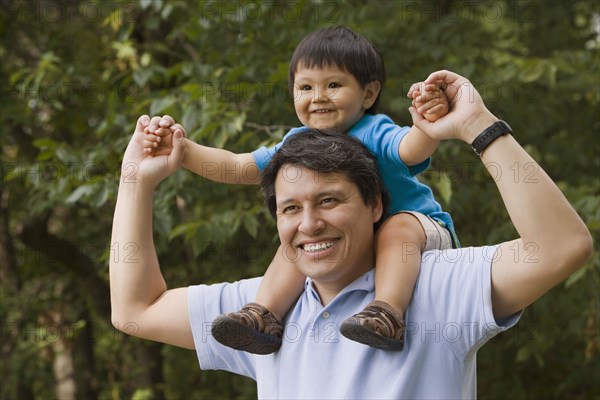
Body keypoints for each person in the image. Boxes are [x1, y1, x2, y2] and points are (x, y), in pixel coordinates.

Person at [110, 69, 592, 398]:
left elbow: (561, 247)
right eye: (290, 208)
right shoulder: (263, 312)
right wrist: (135, 179)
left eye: (329, 201)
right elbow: (135, 311)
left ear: (375, 205)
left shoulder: (439, 286)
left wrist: (477, 125)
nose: (309, 223)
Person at [142, 26, 455, 353]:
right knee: (297, 239)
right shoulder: (297, 143)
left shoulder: (375, 131)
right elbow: (237, 166)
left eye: (333, 85)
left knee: (396, 227)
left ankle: (387, 313)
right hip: (353, 242)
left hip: (420, 233)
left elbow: (412, 149)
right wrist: (182, 149)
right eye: (305, 87)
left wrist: (428, 123)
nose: (318, 96)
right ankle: (263, 315)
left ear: (368, 93)